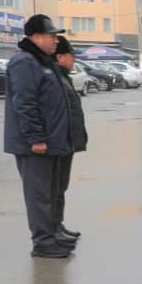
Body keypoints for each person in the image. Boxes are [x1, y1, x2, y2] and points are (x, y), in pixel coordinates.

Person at [4, 15, 80, 258]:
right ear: (35, 37)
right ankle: (43, 242)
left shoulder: (43, 62)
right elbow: (25, 104)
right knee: (39, 196)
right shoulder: (24, 62)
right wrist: (36, 138)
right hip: (35, 145)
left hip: (54, 141)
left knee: (52, 191)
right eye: (51, 36)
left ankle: (54, 232)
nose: (55, 41)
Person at [54, 36, 88, 244]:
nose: (73, 60)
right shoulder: (54, 77)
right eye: (71, 56)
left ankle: (58, 225)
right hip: (58, 141)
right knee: (54, 189)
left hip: (67, 141)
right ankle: (52, 230)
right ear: (60, 57)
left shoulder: (62, 76)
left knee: (61, 187)